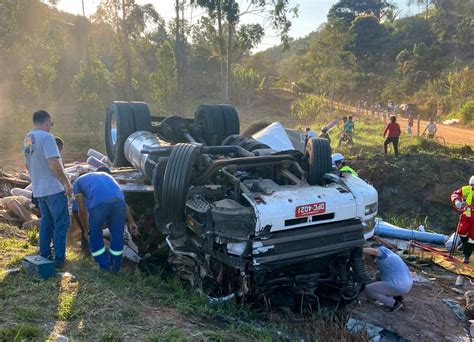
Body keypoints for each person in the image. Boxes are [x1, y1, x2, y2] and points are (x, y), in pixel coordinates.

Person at [23, 110, 72, 268]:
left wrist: (37, 179)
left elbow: (27, 164)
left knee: (46, 223)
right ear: (46, 121)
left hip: (39, 190)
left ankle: (44, 255)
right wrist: (66, 183)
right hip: (53, 189)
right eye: (50, 124)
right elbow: (53, 162)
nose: (50, 127)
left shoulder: (28, 138)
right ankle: (59, 259)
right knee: (61, 223)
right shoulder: (47, 137)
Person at [73, 167, 138, 272]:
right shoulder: (105, 175)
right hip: (119, 203)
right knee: (117, 235)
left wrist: (85, 230)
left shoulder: (77, 182)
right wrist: (131, 221)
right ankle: (115, 267)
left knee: (94, 234)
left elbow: (81, 209)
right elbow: (123, 202)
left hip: (99, 205)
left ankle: (104, 267)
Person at [363, 246, 413, 312]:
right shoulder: (390, 254)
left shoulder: (381, 254)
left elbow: (374, 251)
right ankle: (396, 296)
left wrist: (358, 248)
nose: (364, 257)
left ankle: (393, 303)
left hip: (398, 286)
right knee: (378, 275)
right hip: (407, 284)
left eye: (365, 255)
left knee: (368, 289)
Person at [451, 176, 474, 264]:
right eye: (471, 185)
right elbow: (455, 194)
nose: (472, 187)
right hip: (466, 213)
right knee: (461, 230)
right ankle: (464, 243)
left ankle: (466, 256)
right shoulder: (466, 189)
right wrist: (457, 201)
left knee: (473, 237)